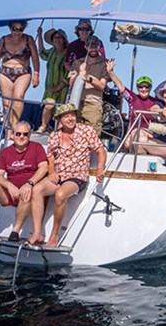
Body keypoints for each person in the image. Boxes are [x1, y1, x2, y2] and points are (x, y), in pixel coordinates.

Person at [28, 103, 107, 247]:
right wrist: (51, 171)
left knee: (60, 194)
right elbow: (50, 156)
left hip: (77, 176)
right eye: (66, 116)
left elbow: (101, 151)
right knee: (36, 190)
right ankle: (37, 232)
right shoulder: (54, 135)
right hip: (59, 174)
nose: (70, 119)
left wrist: (100, 169)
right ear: (60, 119)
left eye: (72, 115)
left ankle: (54, 234)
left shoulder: (86, 131)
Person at [0, 121, 48, 241]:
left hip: (28, 191)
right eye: (18, 134)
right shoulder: (5, 152)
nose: (21, 137)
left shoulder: (37, 148)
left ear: (30, 135)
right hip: (11, 192)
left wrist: (29, 184)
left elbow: (43, 167)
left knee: (26, 193)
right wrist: (10, 186)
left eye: (25, 134)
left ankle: (15, 231)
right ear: (12, 135)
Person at [106, 61, 166, 156]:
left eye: (146, 86)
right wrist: (110, 72)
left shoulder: (156, 102)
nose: (144, 89)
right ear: (137, 88)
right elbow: (121, 87)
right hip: (133, 136)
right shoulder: (133, 99)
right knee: (136, 136)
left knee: (141, 138)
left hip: (149, 136)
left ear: (150, 88)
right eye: (141, 86)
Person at [0, 20, 41, 132]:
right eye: (15, 29)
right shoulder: (3, 40)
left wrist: (36, 74)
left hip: (23, 72)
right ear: (10, 28)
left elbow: (35, 58)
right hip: (5, 72)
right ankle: (8, 131)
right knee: (6, 104)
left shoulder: (29, 39)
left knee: (18, 97)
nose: (17, 32)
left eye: (20, 29)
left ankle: (14, 128)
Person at [69, 36, 110, 135]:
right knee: (73, 134)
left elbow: (102, 86)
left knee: (92, 135)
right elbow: (71, 84)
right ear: (86, 47)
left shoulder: (105, 64)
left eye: (96, 46)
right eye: (91, 46)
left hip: (93, 105)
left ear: (99, 47)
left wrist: (87, 77)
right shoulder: (78, 63)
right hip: (76, 103)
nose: (93, 49)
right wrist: (79, 74)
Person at [36, 27, 69, 133]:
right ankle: (43, 126)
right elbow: (42, 53)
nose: (57, 39)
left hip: (63, 88)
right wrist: (39, 35)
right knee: (49, 106)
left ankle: (58, 131)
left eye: (60, 37)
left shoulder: (68, 53)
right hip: (50, 87)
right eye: (55, 37)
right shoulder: (51, 52)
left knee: (60, 110)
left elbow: (69, 73)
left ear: (64, 39)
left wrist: (58, 87)